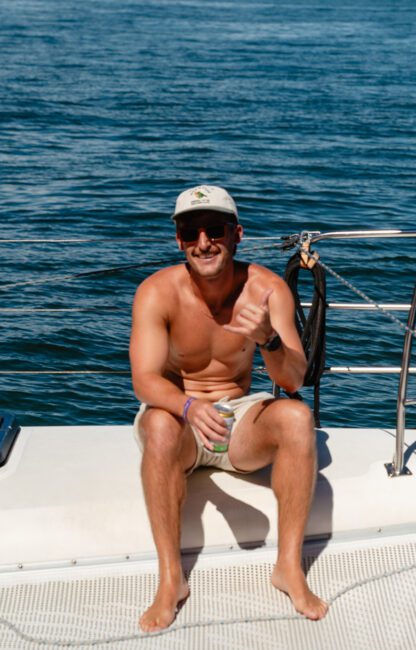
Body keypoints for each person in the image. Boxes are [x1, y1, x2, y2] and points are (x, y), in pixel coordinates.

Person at [130, 185, 328, 632]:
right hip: (179, 420)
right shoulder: (157, 292)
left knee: (298, 418)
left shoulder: (267, 289)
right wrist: (186, 405)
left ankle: (289, 568)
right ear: (178, 240)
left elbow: (292, 380)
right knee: (158, 428)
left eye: (215, 230)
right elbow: (144, 379)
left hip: (239, 419)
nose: (204, 243)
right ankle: (170, 581)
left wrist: (268, 339)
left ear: (237, 234)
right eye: (190, 232)